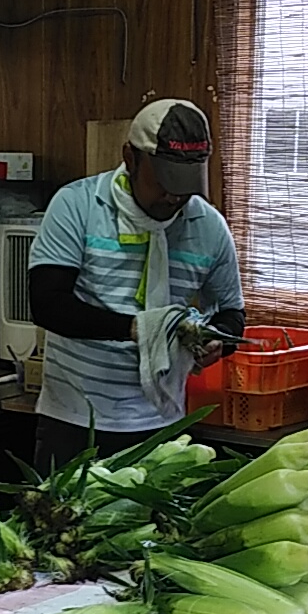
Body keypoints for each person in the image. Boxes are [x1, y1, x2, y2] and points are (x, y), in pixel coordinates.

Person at [28, 98, 245, 472]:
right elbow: (48, 303)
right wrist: (136, 329)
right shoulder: (77, 206)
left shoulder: (208, 226)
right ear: (131, 158)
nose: (174, 197)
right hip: (76, 418)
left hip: (161, 421)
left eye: (186, 185)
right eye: (164, 182)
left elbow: (232, 313)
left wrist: (217, 342)